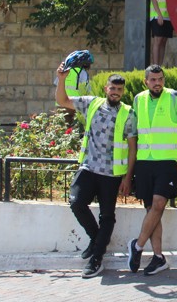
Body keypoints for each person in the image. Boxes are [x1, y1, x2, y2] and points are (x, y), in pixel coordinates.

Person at [56, 68, 137, 279]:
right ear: (106, 88)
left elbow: (132, 147)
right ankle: (97, 238)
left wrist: (127, 177)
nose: (116, 92)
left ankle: (96, 259)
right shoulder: (92, 103)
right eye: (113, 88)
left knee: (107, 216)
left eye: (119, 89)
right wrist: (61, 79)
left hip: (111, 174)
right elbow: (62, 100)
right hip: (89, 167)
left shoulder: (128, 113)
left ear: (123, 91)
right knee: (76, 202)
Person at [127, 65, 177, 276]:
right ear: (145, 81)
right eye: (153, 79)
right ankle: (158, 257)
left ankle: (137, 246)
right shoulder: (138, 99)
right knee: (152, 210)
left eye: (160, 79)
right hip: (144, 161)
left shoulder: (176, 97)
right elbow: (134, 130)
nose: (157, 83)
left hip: (166, 161)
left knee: (159, 205)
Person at [149, 0, 174, 66]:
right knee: (157, 41)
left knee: (164, 41)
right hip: (157, 16)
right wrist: (159, 15)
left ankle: (160, 65)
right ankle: (155, 65)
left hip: (167, 17)